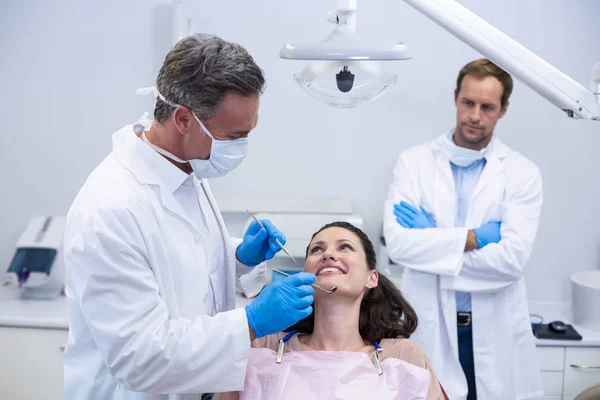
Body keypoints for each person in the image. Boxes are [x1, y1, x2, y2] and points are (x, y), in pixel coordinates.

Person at [62, 33, 316, 400]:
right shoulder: (110, 208)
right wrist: (250, 322)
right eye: (234, 136)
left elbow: (182, 267)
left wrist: (238, 259)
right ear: (183, 119)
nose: (241, 148)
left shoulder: (185, 168)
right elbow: (141, 358)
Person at [383, 58, 544, 399]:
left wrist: (433, 242)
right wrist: (474, 238)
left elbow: (512, 260)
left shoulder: (521, 173)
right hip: (430, 326)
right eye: (468, 103)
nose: (474, 116)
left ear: (503, 110)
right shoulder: (414, 163)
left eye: (487, 107)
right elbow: (399, 246)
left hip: (494, 329)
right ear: (455, 97)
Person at [221, 221, 449, 400]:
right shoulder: (263, 346)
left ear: (372, 278)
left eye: (345, 247)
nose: (328, 254)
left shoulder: (402, 356)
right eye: (317, 250)